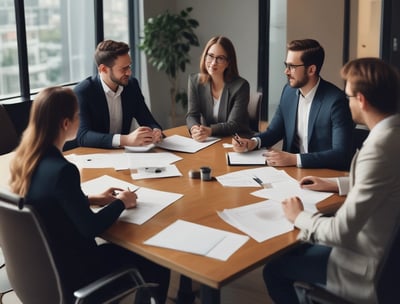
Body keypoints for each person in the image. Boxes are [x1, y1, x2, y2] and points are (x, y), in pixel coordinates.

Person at [9, 87, 170, 303]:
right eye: (78, 116)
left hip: (41, 273)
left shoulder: (27, 161)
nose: (80, 119)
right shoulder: (63, 170)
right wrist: (122, 202)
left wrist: (91, 199)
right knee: (157, 262)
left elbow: (47, 205)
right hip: (78, 277)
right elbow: (91, 227)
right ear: (66, 124)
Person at [263, 58, 400, 303]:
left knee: (274, 270)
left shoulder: (378, 149)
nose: (346, 103)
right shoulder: (393, 133)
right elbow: (386, 181)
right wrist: (336, 184)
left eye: (348, 96)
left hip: (361, 263)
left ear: (362, 100)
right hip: (382, 250)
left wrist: (298, 216)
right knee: (298, 247)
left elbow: (341, 232)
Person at [232, 39, 354, 170]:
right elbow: (274, 131)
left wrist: (294, 159)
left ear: (311, 69)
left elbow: (341, 154)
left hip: (322, 173)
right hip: (290, 171)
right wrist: (252, 142)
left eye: (292, 67)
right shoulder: (288, 92)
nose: (286, 71)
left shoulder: (336, 101)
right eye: (286, 65)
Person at [74, 40, 163, 149]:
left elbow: (148, 120)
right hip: (95, 156)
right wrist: (126, 139)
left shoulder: (131, 85)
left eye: (129, 66)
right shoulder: (83, 91)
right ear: (103, 69)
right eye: (124, 68)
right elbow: (83, 136)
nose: (129, 72)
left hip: (124, 155)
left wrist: (156, 131)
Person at [186, 36, 252, 142]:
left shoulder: (241, 86)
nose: (213, 63)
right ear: (205, 56)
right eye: (210, 56)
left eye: (220, 58)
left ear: (228, 62)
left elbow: (233, 125)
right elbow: (192, 115)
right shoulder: (195, 81)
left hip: (236, 140)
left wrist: (210, 130)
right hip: (209, 141)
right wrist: (195, 129)